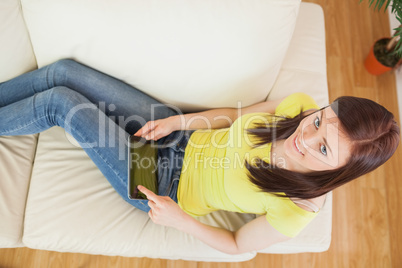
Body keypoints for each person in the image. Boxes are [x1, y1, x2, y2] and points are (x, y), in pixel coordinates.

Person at [0, 59, 399, 254]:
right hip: (176, 135)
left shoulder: (297, 209)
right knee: (64, 72)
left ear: (341, 170)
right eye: (318, 122)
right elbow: (239, 115)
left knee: (59, 103)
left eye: (324, 149)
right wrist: (181, 123)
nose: (306, 138)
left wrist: (181, 220)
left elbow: (239, 244)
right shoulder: (299, 106)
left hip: (162, 180)